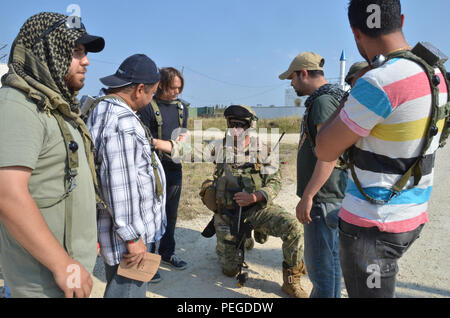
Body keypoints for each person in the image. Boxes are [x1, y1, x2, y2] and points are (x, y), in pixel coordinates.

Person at [315, 0, 449, 297]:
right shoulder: (436, 75)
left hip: (372, 228)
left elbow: (324, 148)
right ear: (400, 18)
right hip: (411, 215)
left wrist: (353, 92)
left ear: (355, 32)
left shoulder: (378, 81)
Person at [0, 12, 105, 298]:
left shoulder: (55, 105)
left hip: (65, 275)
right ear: (48, 51)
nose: (86, 61)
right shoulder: (19, 104)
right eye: (76, 52)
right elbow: (7, 194)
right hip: (43, 282)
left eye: (85, 53)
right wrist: (62, 265)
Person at [198, 105, 308, 298]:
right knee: (230, 270)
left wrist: (255, 197)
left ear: (251, 127)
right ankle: (240, 240)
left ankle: (291, 280)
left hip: (257, 208)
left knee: (294, 229)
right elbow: (189, 150)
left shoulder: (263, 150)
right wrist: (165, 143)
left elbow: (275, 181)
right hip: (228, 213)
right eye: (231, 124)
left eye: (240, 125)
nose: (235, 129)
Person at [86, 54, 166, 298]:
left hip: (121, 234)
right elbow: (119, 185)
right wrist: (133, 238)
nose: (152, 99)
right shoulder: (122, 122)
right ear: (140, 89)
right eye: (153, 93)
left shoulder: (104, 108)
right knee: (127, 292)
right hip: (128, 242)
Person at [279, 52, 348, 298]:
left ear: (304, 73)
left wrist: (308, 196)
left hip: (323, 197)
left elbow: (329, 154)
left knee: (320, 266)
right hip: (330, 194)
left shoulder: (322, 102)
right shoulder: (331, 97)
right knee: (331, 260)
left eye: (292, 77)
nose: (291, 83)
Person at [138, 67, 189, 280]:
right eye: (172, 88)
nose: (176, 92)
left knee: (171, 213)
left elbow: (183, 138)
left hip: (174, 167)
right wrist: (169, 144)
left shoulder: (182, 108)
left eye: (179, 88)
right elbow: (145, 139)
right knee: (150, 215)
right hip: (152, 168)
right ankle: (148, 262)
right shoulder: (147, 107)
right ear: (160, 85)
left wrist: (173, 145)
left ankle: (167, 253)